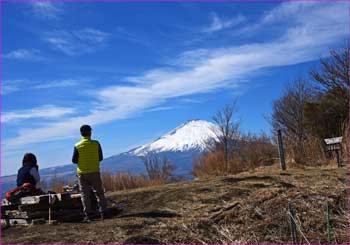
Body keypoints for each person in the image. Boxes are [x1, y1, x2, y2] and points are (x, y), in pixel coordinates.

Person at [72, 124, 107, 223]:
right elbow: (100, 158)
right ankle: (103, 212)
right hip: (95, 171)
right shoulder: (96, 144)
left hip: (82, 173)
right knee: (99, 193)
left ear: (81, 134)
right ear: (90, 132)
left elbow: (74, 160)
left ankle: (88, 215)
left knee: (84, 194)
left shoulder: (77, 145)